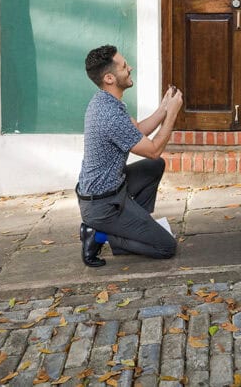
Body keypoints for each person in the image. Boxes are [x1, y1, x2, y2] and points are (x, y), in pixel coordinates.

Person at [77, 44, 183, 267]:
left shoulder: (106, 101)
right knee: (166, 247)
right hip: (103, 206)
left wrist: (164, 107)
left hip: (113, 189)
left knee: (153, 168)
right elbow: (153, 149)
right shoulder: (109, 114)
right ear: (109, 78)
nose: (130, 68)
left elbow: (138, 131)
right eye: (124, 66)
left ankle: (134, 226)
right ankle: (99, 234)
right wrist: (173, 114)